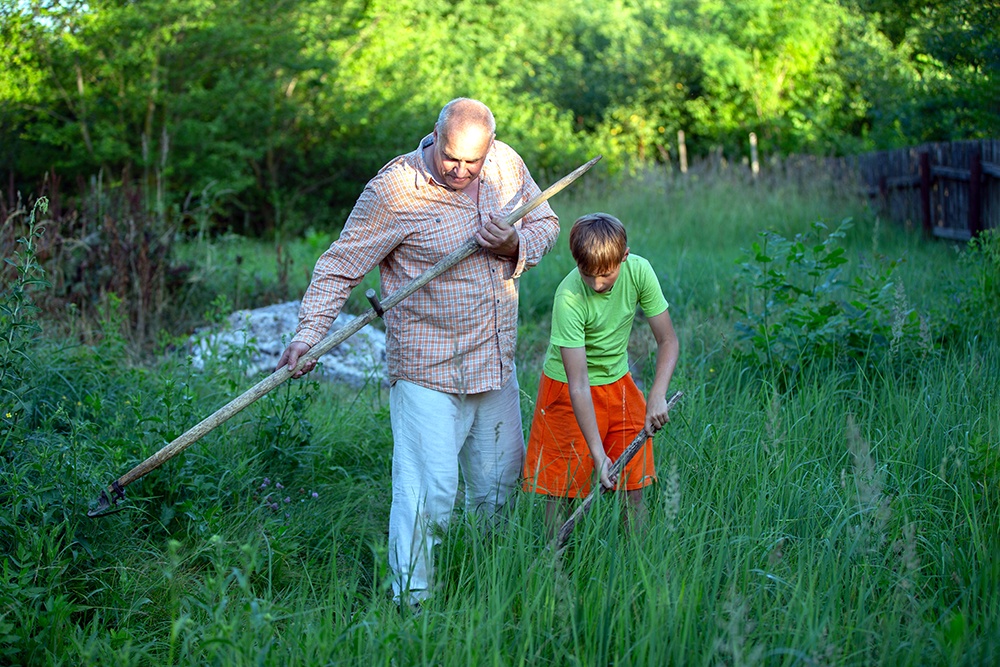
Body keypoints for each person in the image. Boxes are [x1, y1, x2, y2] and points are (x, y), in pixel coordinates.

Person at [276, 98, 560, 607]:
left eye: (472, 162)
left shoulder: (506, 165)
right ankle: (413, 604)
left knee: (499, 490)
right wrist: (309, 334)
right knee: (429, 497)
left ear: (489, 147)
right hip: (427, 367)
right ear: (434, 135)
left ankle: (485, 586)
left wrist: (514, 244)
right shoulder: (393, 190)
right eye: (452, 157)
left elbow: (546, 223)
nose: (460, 170)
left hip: (493, 362)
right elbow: (340, 265)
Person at [522, 212, 679, 535]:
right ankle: (555, 570)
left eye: (606, 274)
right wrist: (597, 453)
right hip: (567, 390)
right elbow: (578, 384)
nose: (596, 284)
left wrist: (657, 395)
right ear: (576, 262)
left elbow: (668, 340)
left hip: (618, 385)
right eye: (587, 274)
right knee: (562, 488)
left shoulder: (639, 272)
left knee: (633, 482)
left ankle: (638, 564)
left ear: (625, 256)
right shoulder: (568, 297)